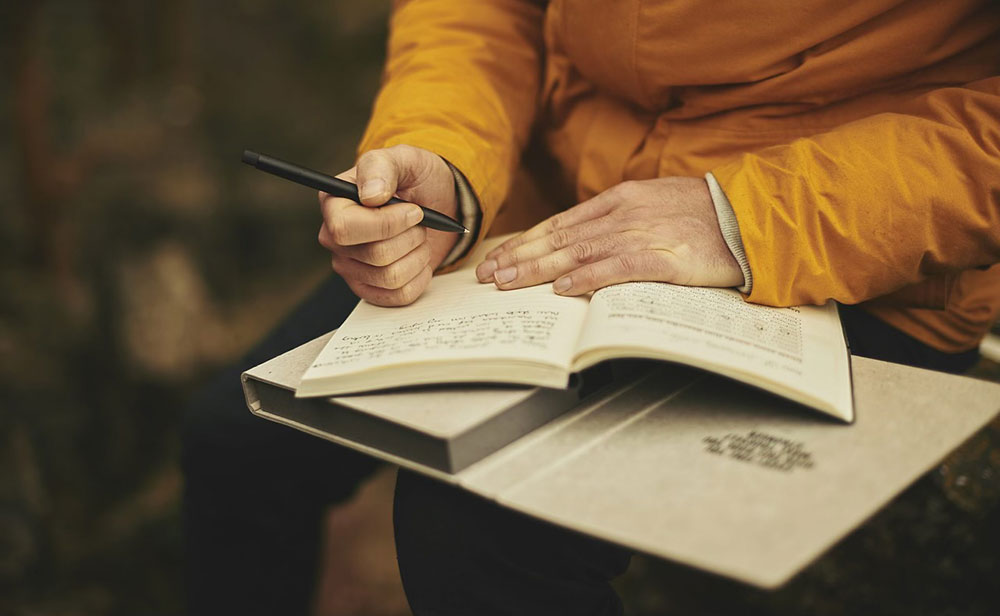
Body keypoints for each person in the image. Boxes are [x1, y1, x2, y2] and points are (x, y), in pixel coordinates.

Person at [183, 1, 1000, 614]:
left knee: (475, 526)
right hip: (551, 215)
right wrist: (446, 153)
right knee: (238, 438)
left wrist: (749, 217)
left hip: (848, 258)